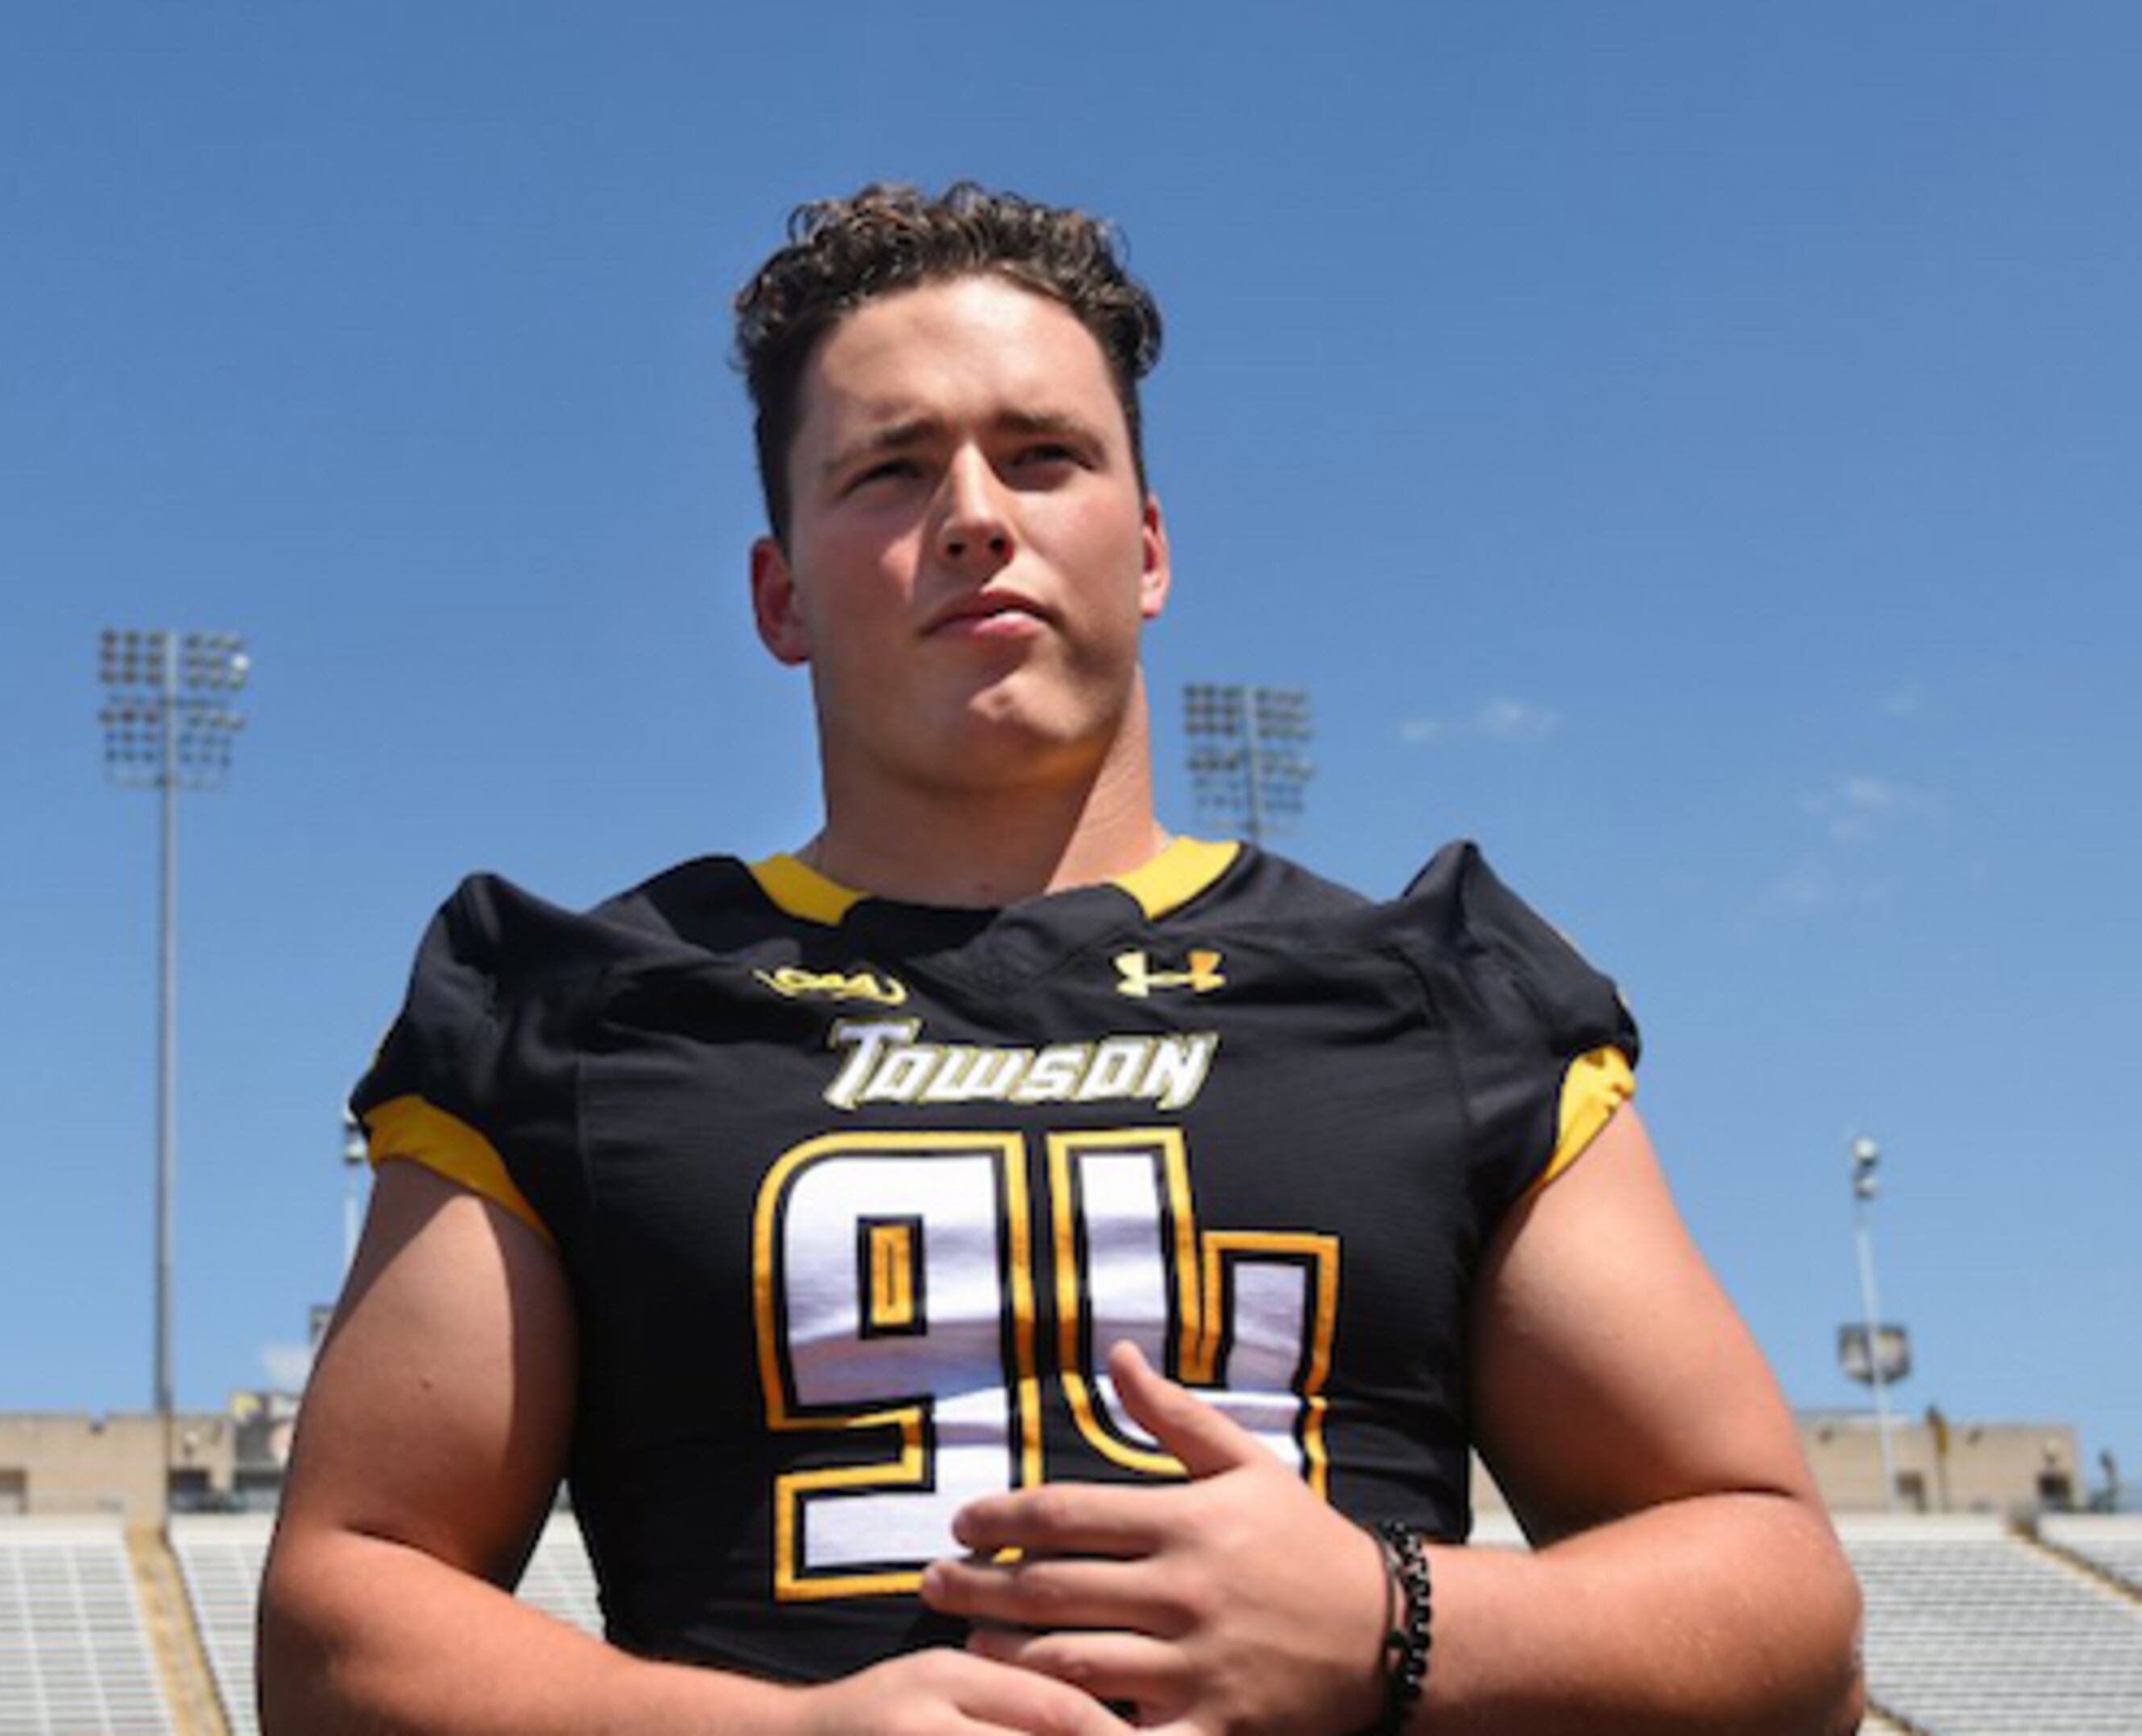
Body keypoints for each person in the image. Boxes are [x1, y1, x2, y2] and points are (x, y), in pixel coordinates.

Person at [260, 183, 1862, 1735]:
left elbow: (1790, 1623)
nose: (974, 517)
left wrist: (1392, 1623)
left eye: (1044, 458)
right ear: (779, 596)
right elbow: (341, 1624)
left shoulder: (1439, 992)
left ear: (1149, 548)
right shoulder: (580, 1008)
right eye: (890, 471)